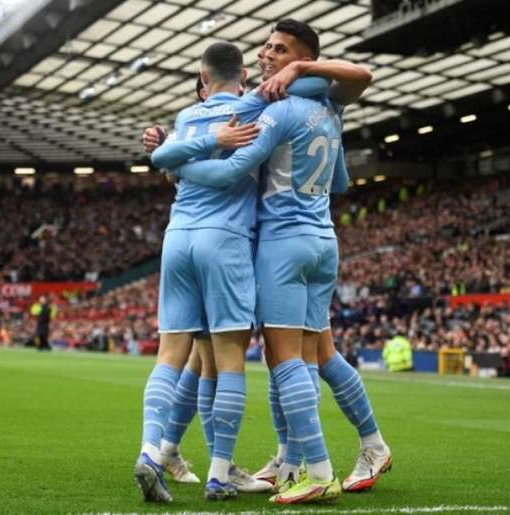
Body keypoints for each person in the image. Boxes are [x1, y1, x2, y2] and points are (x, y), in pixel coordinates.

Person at [134, 42, 329, 503]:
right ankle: (220, 473)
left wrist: (185, 151)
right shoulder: (251, 107)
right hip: (227, 241)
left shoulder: (184, 118)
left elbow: (161, 161)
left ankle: (151, 452)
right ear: (243, 75)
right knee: (228, 362)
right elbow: (320, 86)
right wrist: (222, 139)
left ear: (202, 79)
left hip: (177, 237)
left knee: (170, 356)